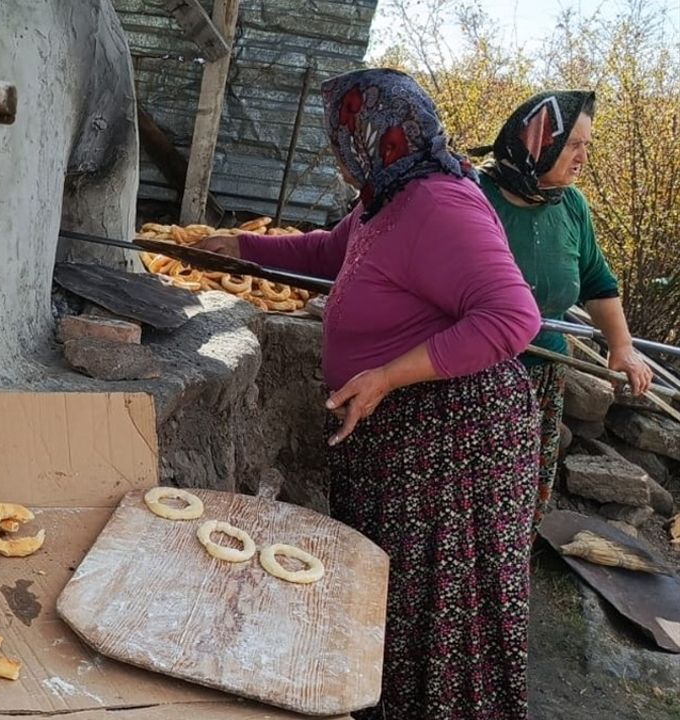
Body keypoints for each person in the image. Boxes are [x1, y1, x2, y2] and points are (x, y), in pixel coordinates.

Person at [197, 68, 542, 719]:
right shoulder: (386, 199)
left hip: (452, 443)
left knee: (434, 604)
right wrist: (239, 246)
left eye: (342, 137)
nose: (337, 152)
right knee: (391, 597)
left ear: (378, 136)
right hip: (404, 437)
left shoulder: (440, 203)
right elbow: (331, 253)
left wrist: (386, 375)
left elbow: (512, 317)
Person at [474, 90, 653, 533]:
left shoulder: (572, 206)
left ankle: (510, 559)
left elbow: (597, 282)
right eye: (573, 145)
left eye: (587, 146)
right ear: (538, 141)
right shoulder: (473, 194)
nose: (582, 158)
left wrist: (621, 346)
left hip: (542, 375)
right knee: (472, 490)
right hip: (469, 371)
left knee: (518, 494)